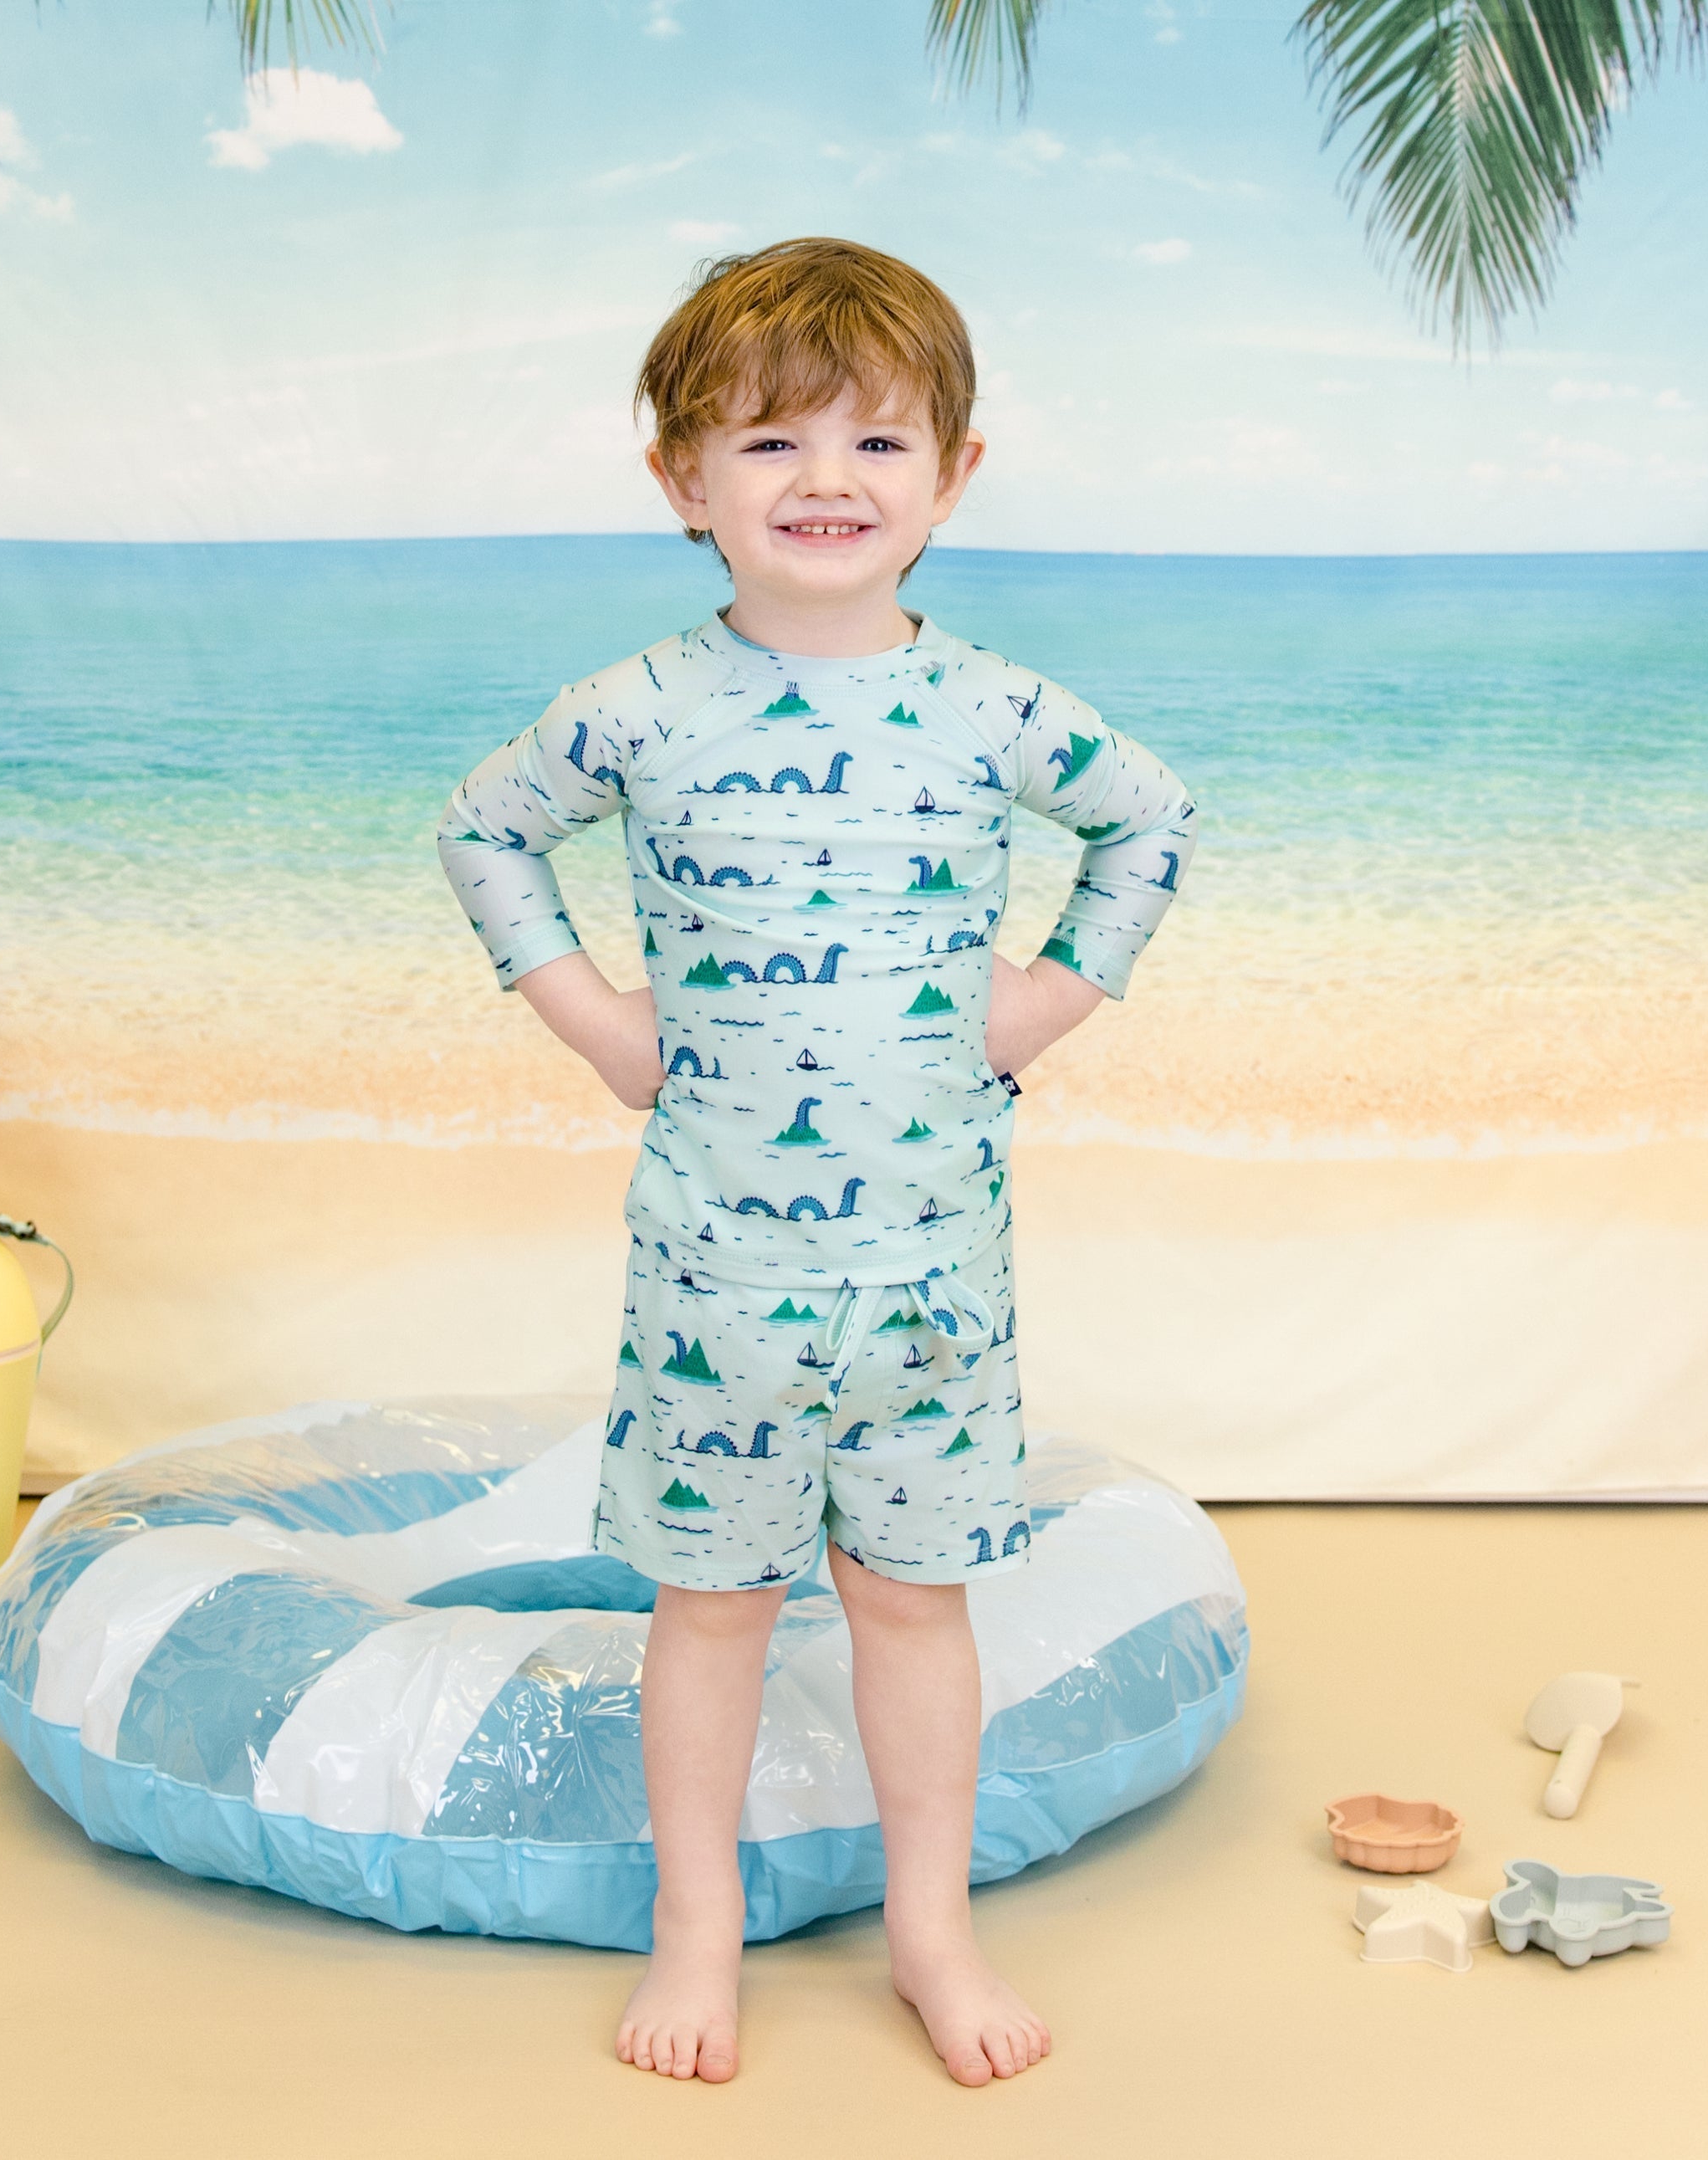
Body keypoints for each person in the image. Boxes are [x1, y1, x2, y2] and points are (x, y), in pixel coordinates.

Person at [437, 237, 1195, 2087]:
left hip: (934, 1268)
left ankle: (933, 1924)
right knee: (709, 1609)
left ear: (953, 475)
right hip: (717, 1270)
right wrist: (598, 1024)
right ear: (681, 481)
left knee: (913, 1599)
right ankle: (694, 1923)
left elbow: (1149, 821)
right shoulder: (639, 704)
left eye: (875, 440)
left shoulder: (994, 707)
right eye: (768, 442)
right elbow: (484, 831)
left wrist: (1047, 999)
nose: (824, 480)